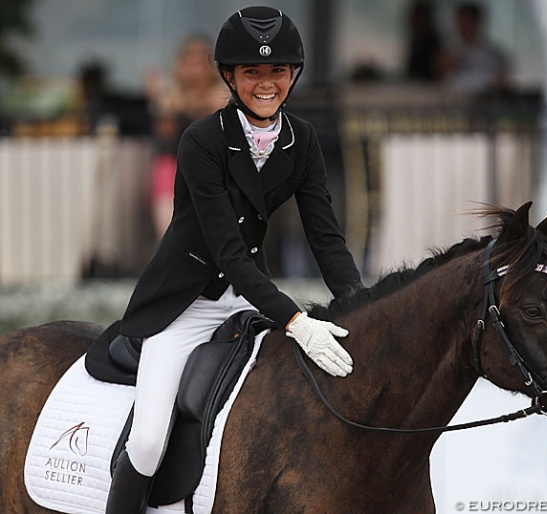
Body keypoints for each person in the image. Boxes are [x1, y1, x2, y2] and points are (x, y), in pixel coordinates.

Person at [104, 6, 363, 513]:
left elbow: (326, 239)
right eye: (252, 73)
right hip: (182, 306)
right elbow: (228, 252)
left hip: (245, 307)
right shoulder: (201, 140)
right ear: (229, 75)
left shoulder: (301, 139)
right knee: (151, 438)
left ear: (293, 75)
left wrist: (359, 305)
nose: (266, 84)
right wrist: (295, 320)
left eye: (278, 72)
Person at [145, 36, 230, 239]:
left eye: (202, 60)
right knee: (170, 230)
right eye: (190, 61)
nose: (196, 68)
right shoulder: (169, 92)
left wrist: (189, 105)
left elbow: (219, 110)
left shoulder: (223, 91)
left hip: (215, 169)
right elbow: (164, 126)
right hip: (173, 165)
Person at [439, 2, 510, 94]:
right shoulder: (452, 53)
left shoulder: (492, 54)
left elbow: (500, 81)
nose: (462, 27)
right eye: (460, 23)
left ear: (476, 23)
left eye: (466, 22)